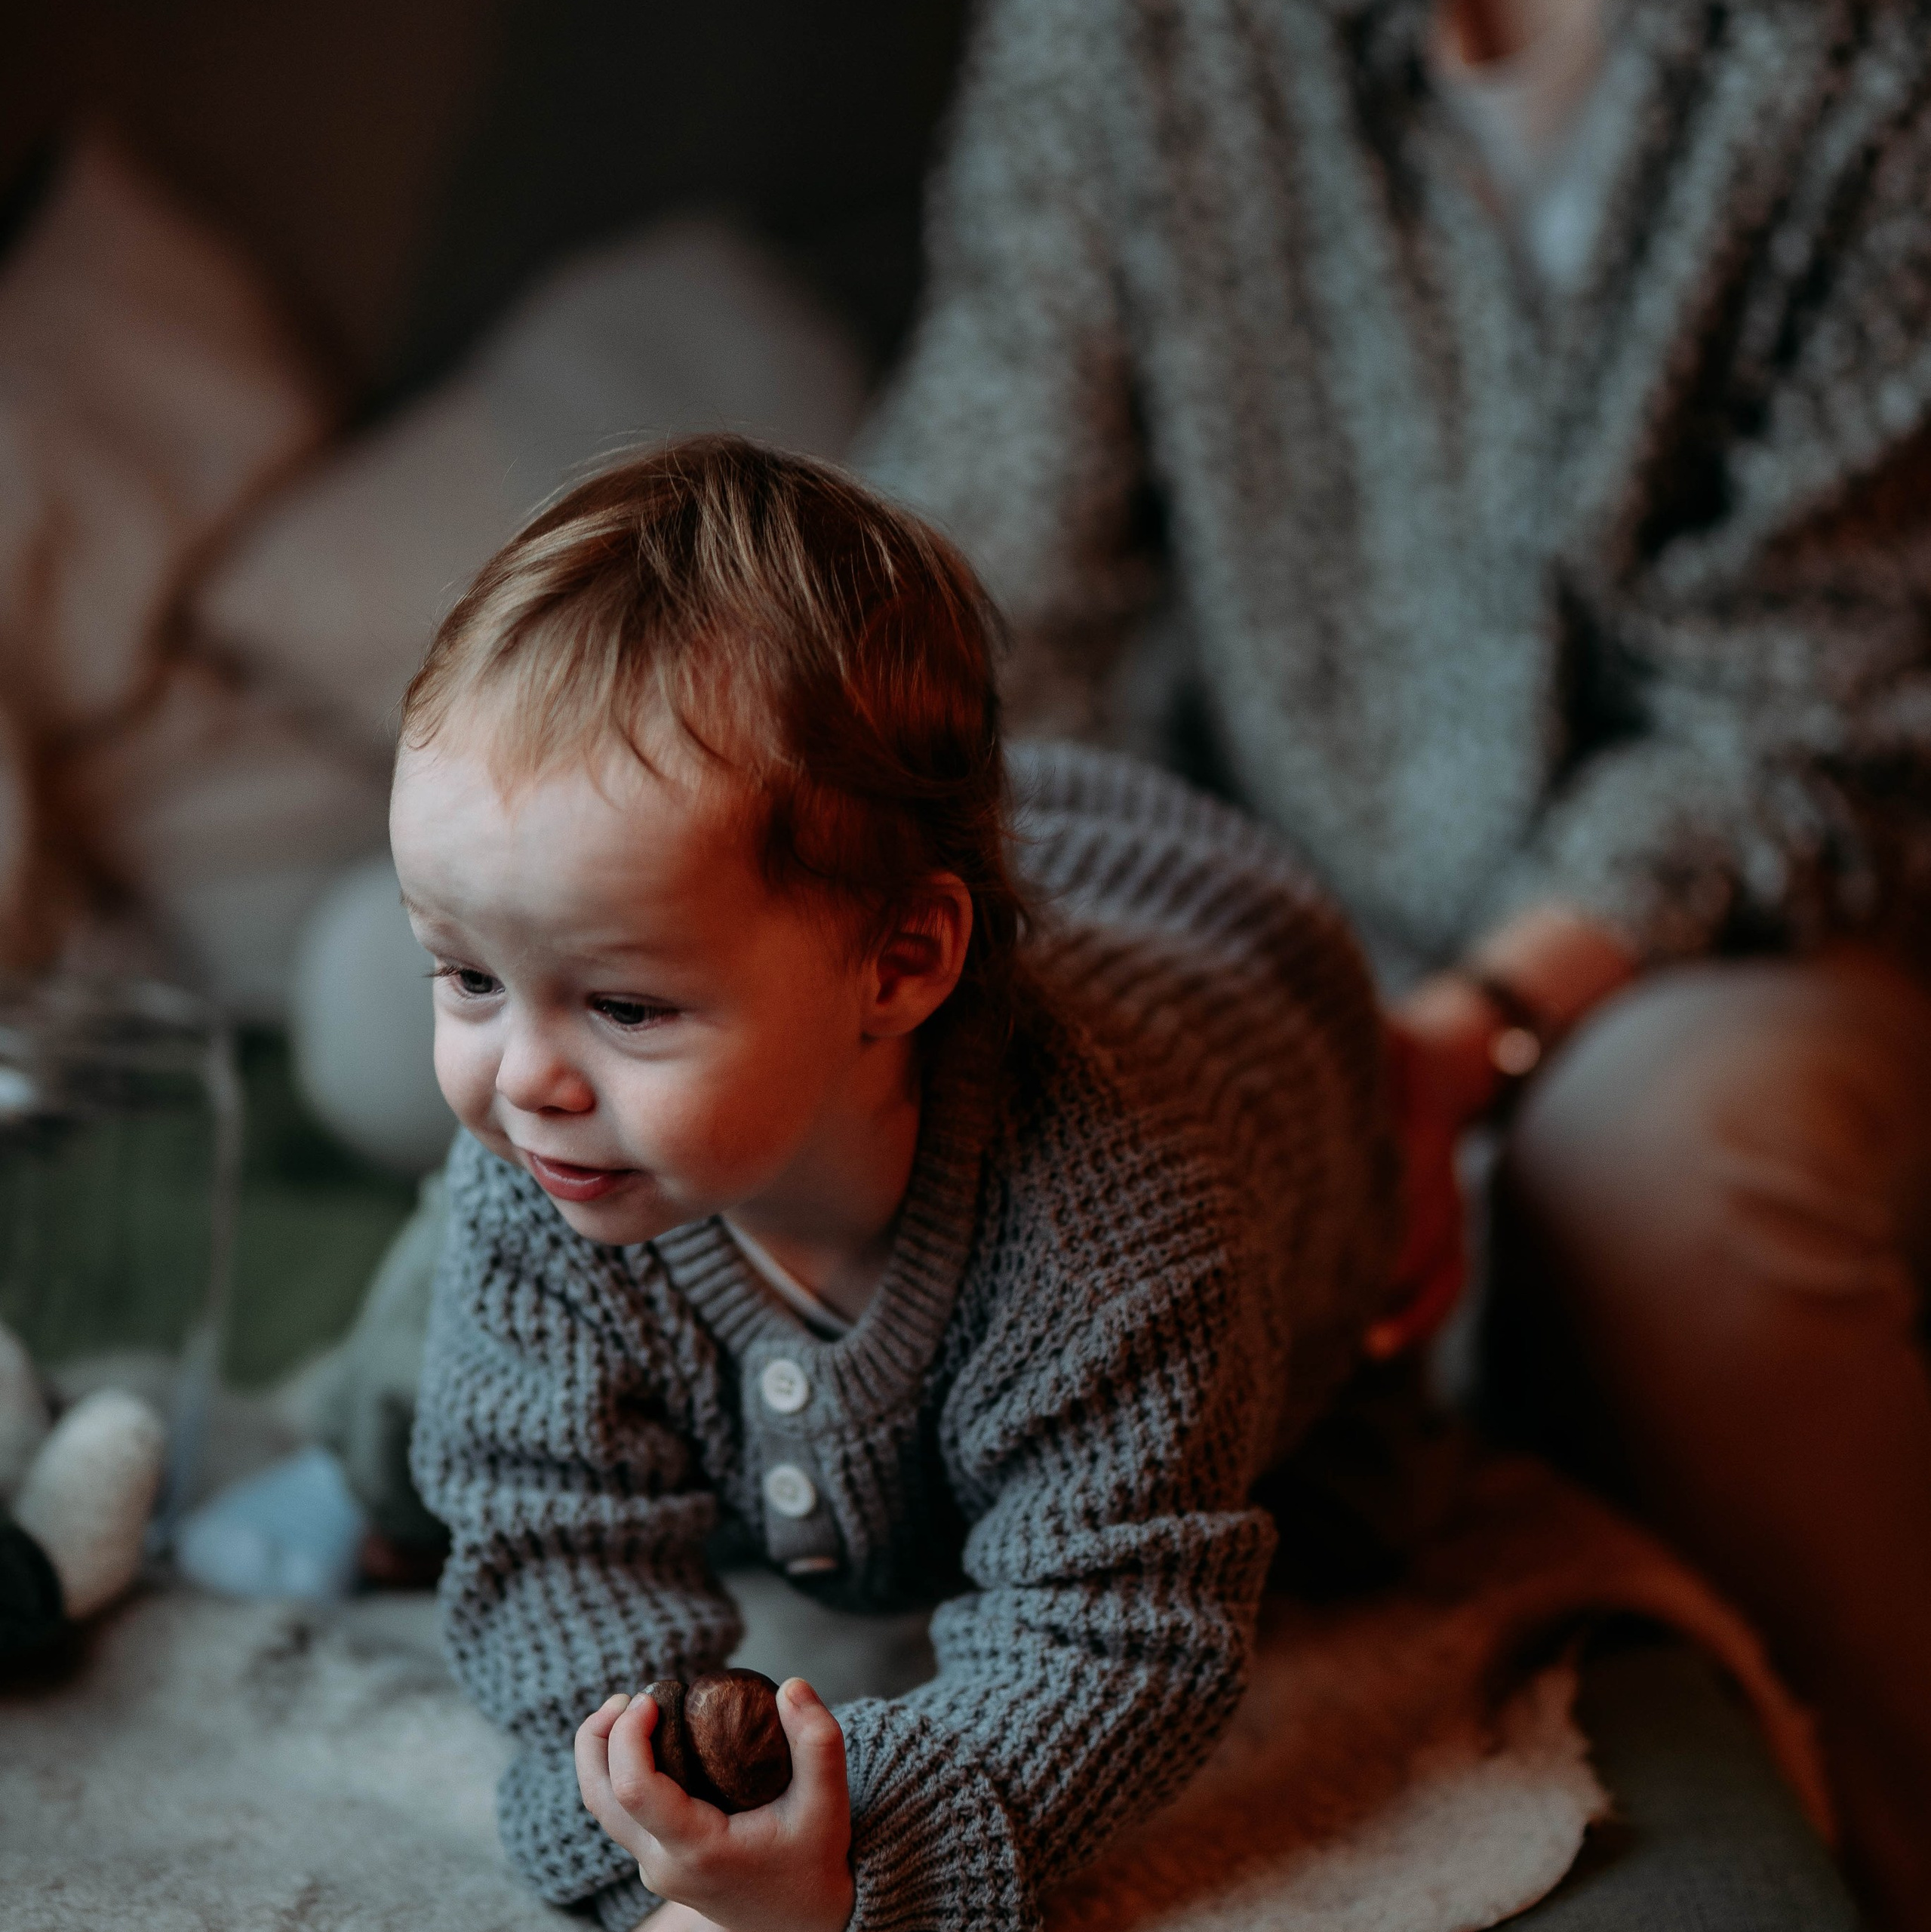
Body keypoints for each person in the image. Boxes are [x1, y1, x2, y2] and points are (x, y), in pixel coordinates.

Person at [856, 0, 1931, 1921]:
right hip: (1261, 872)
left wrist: (1457, 1036)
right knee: (491, 982)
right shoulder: (1126, 38)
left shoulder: (1859, 69)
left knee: (1662, 1176)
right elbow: (995, 570)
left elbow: (1807, 713)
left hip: (1737, 899)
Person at [394, 435, 1392, 1930]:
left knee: (1337, 1503)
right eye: (465, 974)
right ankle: (348, 1421)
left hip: (1223, 970)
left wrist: (852, 1853)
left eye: (627, 1005)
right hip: (887, 972)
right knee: (436, 1351)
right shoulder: (548, 1162)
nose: (522, 1075)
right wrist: (667, 1820)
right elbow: (549, 1544)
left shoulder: (1122, 1241)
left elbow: (1109, 1643)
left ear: (902, 964)